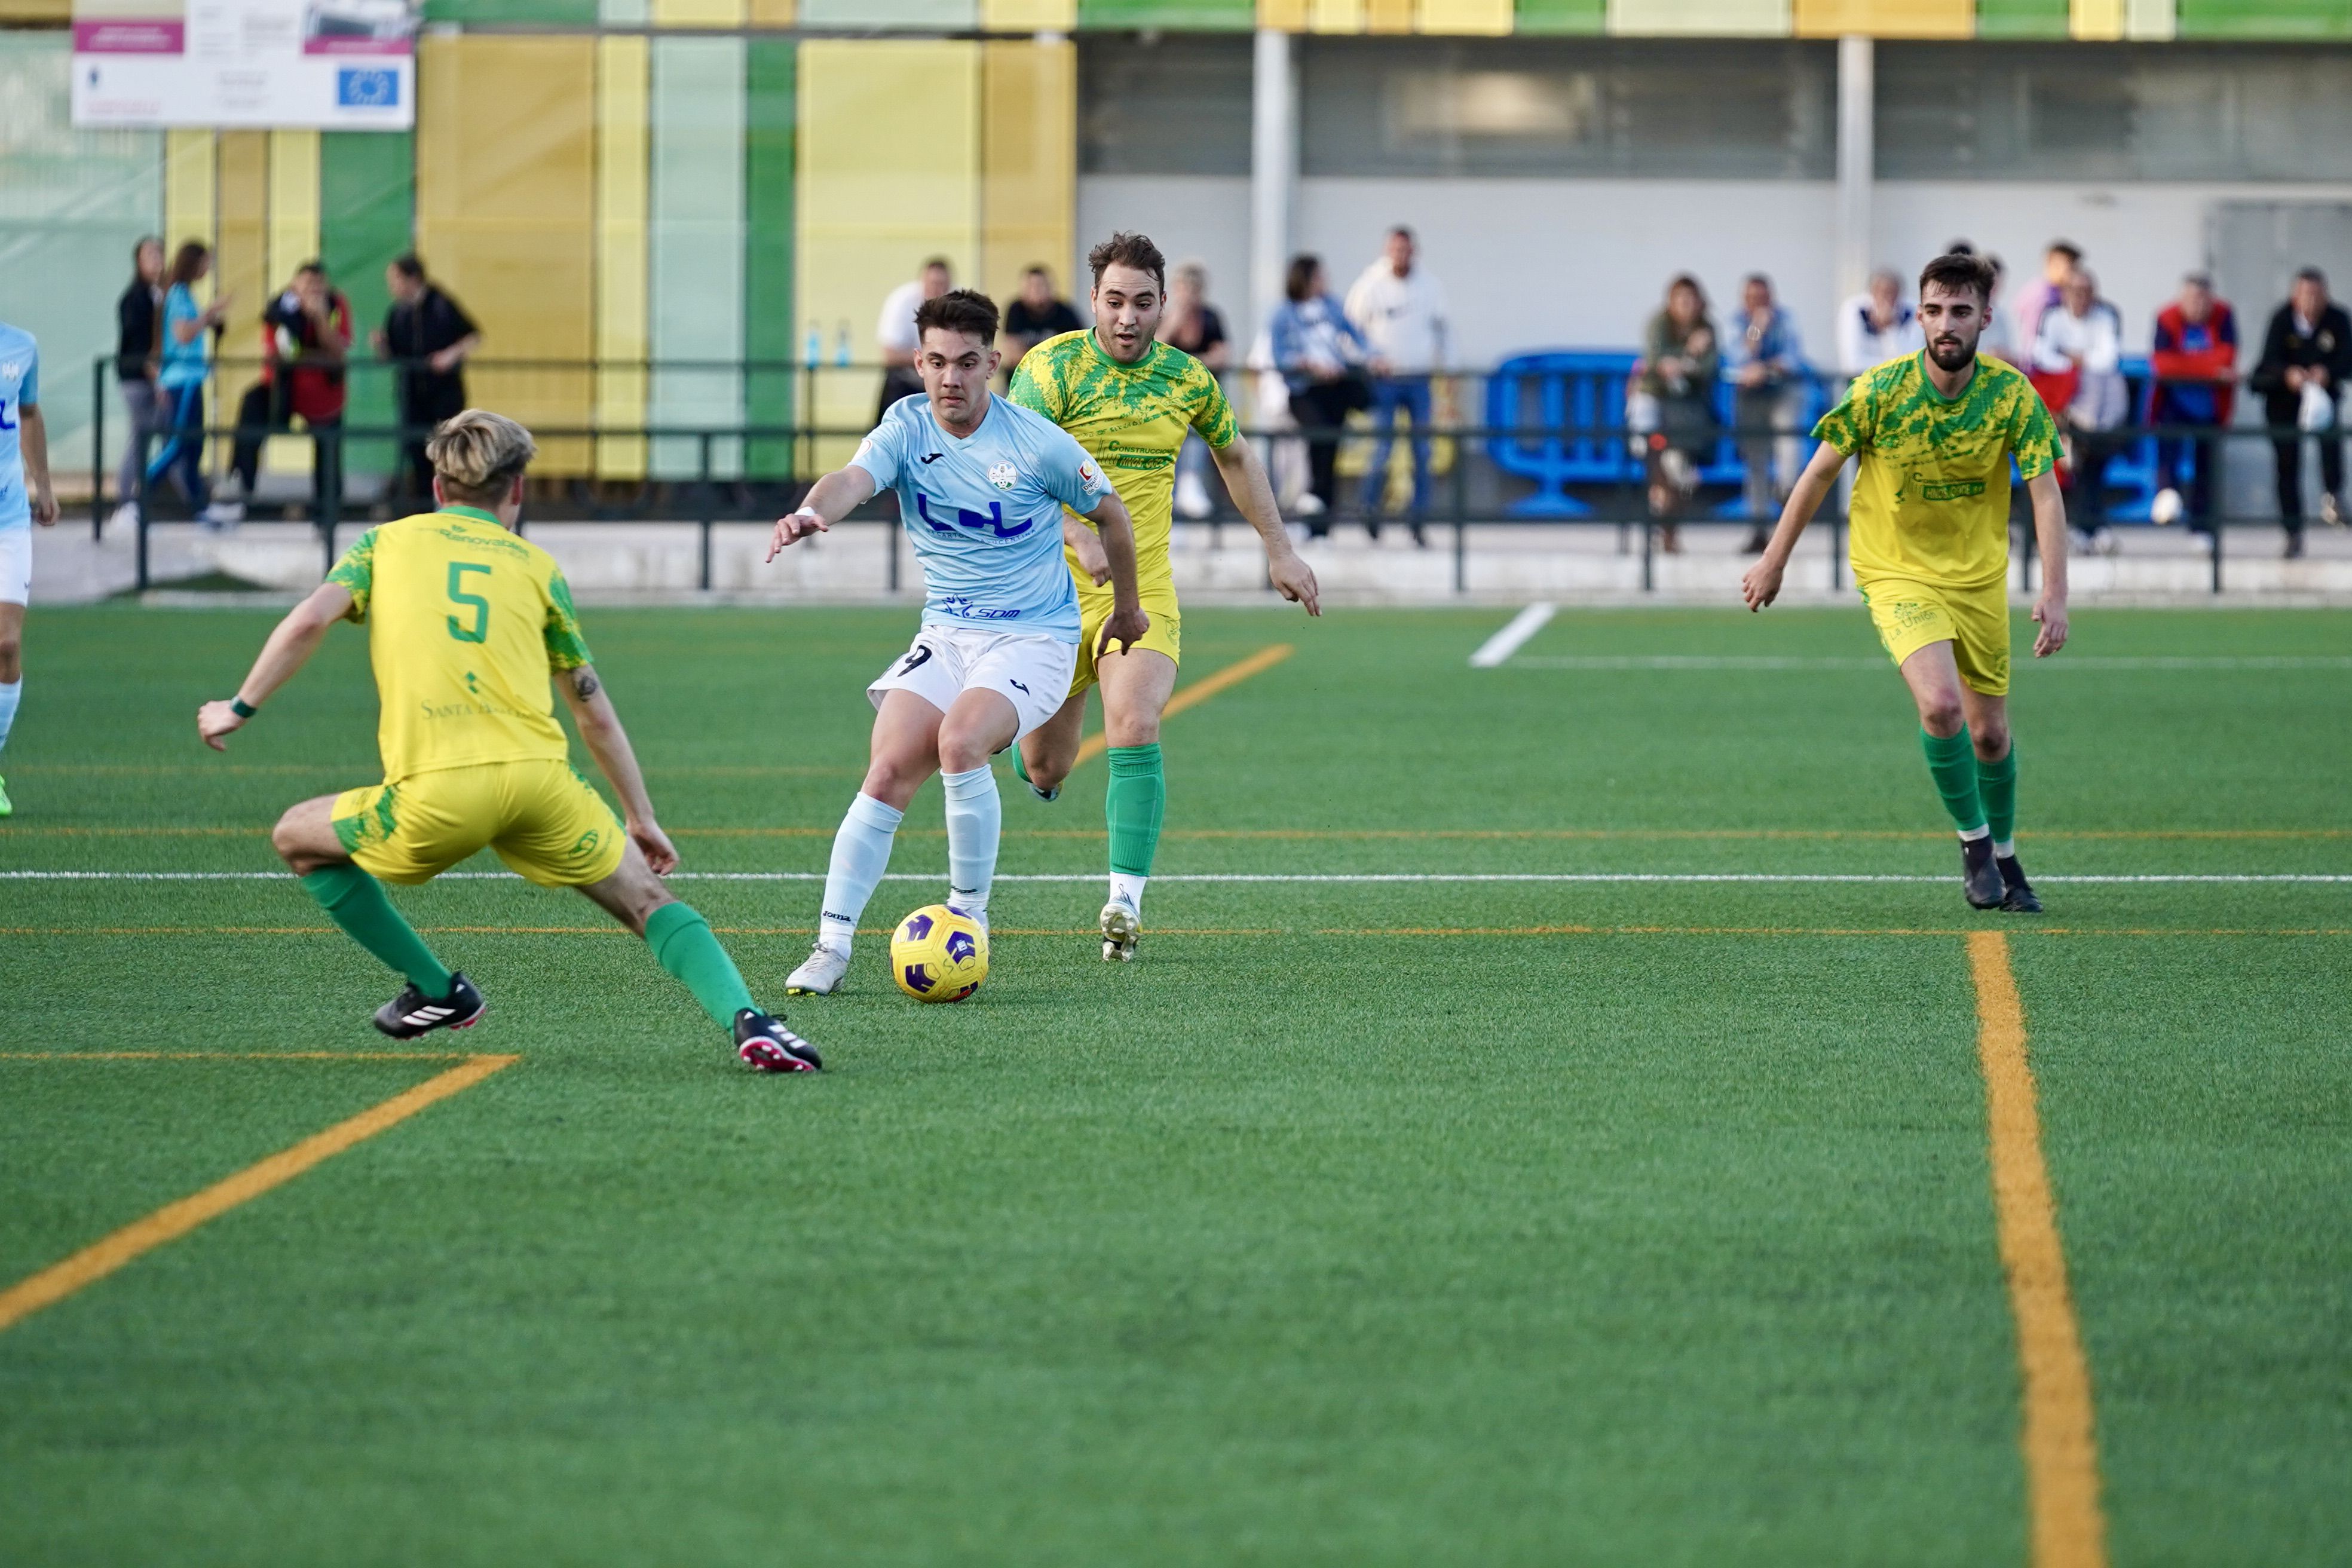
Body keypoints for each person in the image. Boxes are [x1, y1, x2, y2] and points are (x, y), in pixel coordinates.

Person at [193, 409, 819, 1071]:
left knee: (296, 834)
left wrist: (239, 706)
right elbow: (593, 710)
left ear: (437, 489)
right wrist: (641, 815)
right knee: (650, 903)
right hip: (540, 786)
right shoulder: (537, 568)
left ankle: (439, 990)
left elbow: (307, 621)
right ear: (516, 490)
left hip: (438, 794)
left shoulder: (383, 545)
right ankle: (752, 1021)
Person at [767, 289, 1146, 996]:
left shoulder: (1034, 440)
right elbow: (854, 478)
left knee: (960, 742)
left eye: (967, 363)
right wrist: (812, 512)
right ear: (918, 362)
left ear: (992, 364)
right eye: (937, 362)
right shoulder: (906, 427)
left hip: (1034, 636)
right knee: (885, 770)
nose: (951, 378)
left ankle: (967, 920)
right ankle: (831, 945)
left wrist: (1126, 611)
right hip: (947, 632)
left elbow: (1113, 515)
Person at [1005, 231, 1321, 963]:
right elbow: (1010, 468)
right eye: (1114, 301)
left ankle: (1124, 903)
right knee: (1048, 765)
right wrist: (1071, 534)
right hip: (1049, 597)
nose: (1127, 318)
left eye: (1142, 303)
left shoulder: (1185, 379)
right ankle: (1036, 770)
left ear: (1163, 306)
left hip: (1140, 597)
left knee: (1135, 722)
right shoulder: (1049, 370)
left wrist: (1280, 548)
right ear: (1093, 301)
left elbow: (1236, 454)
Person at [1741, 252, 2068, 915]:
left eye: (1961, 312)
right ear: (1919, 316)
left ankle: (2006, 852)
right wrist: (1775, 558)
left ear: (1985, 317)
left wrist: (2055, 590)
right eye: (1936, 311)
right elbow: (1817, 472)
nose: (1947, 324)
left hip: (1978, 580)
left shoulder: (2011, 395)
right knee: (1942, 707)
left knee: (1990, 736)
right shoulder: (1879, 390)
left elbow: (2045, 494)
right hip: (1896, 572)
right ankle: (1975, 844)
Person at [219, 261, 353, 525]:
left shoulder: (337, 306)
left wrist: (320, 320)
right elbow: (281, 355)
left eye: (318, 286)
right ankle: (241, 491)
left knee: (328, 449)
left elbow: (338, 351)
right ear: (295, 287)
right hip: (282, 389)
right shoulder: (279, 309)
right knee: (251, 406)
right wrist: (316, 355)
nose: (313, 292)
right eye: (307, 286)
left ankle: (327, 514)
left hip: (324, 393)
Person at [1345, 225, 1450, 543]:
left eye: (1405, 250)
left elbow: (1443, 332)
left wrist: (1448, 372)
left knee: (1422, 450)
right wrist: (1368, 360)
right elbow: (1349, 333)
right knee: (1382, 448)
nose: (1400, 257)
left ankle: (1417, 520)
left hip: (1418, 379)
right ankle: (1370, 511)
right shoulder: (1370, 286)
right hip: (1384, 381)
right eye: (1394, 250)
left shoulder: (1429, 287)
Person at [2249, 267, 2352, 557]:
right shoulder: (2282, 320)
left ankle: (2334, 497)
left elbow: (2346, 359)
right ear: (2295, 296)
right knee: (2287, 465)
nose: (2311, 301)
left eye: (2317, 295)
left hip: (2322, 401)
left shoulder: (2337, 319)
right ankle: (2292, 532)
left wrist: (2326, 373)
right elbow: (2267, 361)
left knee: (2331, 445)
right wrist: (2288, 375)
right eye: (2305, 294)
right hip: (2283, 403)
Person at [0, 316, 59, 819]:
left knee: (6, 643)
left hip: (8, 518)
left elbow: (31, 413)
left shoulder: (21, 345)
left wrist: (43, 484)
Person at [1269, 253, 1374, 529]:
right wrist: (1306, 364)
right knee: (1318, 440)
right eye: (1319, 276)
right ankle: (1311, 500)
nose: (1324, 281)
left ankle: (1322, 525)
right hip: (1305, 390)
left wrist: (1374, 356)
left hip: (1334, 388)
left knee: (1332, 451)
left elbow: (1356, 336)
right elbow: (1280, 356)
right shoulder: (1284, 313)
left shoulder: (1332, 306)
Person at [2031, 267, 2127, 542]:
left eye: (2086, 292)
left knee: (2093, 463)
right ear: (2064, 293)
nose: (2080, 298)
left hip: (2098, 408)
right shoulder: (2052, 317)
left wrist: (2071, 358)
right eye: (2074, 291)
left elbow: (2108, 359)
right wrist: (2080, 360)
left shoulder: (2106, 316)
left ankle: (2089, 526)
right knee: (2060, 466)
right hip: (2059, 405)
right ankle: (2065, 528)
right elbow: (2042, 355)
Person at [378, 253, 480, 507]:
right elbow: (393, 354)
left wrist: (449, 356)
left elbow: (473, 335)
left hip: (443, 395)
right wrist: (382, 346)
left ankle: (455, 511)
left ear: (412, 279)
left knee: (450, 455)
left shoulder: (441, 304)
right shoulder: (398, 312)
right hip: (412, 396)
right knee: (418, 455)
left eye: (396, 280)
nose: (392, 286)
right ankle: (423, 514)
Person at [1629, 274, 1719, 552]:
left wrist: (1683, 362)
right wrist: (1689, 353)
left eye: (1691, 300)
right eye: (1680, 300)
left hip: (1686, 413)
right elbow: (1657, 363)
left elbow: (1706, 370)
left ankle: (1668, 528)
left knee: (1681, 474)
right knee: (1652, 453)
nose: (1686, 306)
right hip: (1655, 400)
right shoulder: (1658, 324)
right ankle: (1660, 530)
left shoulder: (1708, 328)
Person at [149, 240, 233, 517]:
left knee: (195, 445)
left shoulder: (184, 294)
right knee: (178, 444)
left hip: (193, 378)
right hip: (181, 380)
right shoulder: (178, 294)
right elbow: (183, 334)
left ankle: (200, 508)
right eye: (205, 263)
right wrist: (209, 315)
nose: (207, 269)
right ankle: (140, 496)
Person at [2148, 272, 2237, 534]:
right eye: (2191, 300)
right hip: (2173, 402)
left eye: (2202, 301)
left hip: (2210, 405)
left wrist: (2187, 365)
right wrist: (2209, 369)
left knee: (2207, 467)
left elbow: (2227, 356)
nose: (2197, 307)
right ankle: (2167, 499)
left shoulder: (2224, 315)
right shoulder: (2166, 318)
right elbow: (2163, 365)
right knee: (2168, 453)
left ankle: (2202, 529)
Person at [1724, 272, 1805, 551]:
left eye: (1763, 299)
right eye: (1752, 299)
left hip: (1781, 392)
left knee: (1789, 449)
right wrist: (1757, 329)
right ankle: (1758, 530)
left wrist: (1766, 368)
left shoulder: (1786, 320)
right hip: (1750, 397)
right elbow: (1738, 358)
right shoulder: (1736, 322)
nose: (1758, 304)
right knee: (1755, 463)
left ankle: (1786, 498)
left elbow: (1792, 358)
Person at [1159, 259, 1229, 521]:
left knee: (1201, 427)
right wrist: (1174, 323)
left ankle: (1190, 483)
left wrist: (1189, 365)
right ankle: (1175, 500)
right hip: (1168, 397)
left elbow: (1222, 355)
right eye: (1185, 289)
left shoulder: (1211, 318)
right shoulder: (1167, 316)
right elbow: (1157, 351)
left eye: (1195, 289)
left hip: (1200, 395)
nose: (1190, 295)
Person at [111, 236, 166, 531]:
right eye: (150, 255)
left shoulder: (158, 295)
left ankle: (139, 501)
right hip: (138, 379)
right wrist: (153, 374)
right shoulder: (136, 297)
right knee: (140, 439)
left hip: (151, 378)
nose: (157, 260)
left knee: (159, 438)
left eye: (160, 254)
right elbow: (137, 341)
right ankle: (125, 503)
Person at [874, 256, 953, 424]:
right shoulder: (901, 301)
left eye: (942, 284)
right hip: (906, 382)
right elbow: (890, 355)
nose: (937, 290)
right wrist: (933, 360)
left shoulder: (958, 303)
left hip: (945, 381)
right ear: (922, 281)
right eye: (933, 283)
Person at [1836, 268, 1924, 379]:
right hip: (1863, 381)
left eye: (1892, 294)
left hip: (1901, 382)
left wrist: (1891, 328)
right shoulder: (1855, 310)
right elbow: (1852, 363)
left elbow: (1912, 361)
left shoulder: (1912, 311)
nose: (1887, 301)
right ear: (1871, 292)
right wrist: (1893, 366)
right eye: (1881, 293)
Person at [1002, 265, 1083, 375]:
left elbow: (1079, 348)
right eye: (1032, 286)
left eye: (1041, 286)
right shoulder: (1016, 310)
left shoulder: (1065, 312)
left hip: (1058, 375)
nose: (1036, 291)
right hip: (1021, 375)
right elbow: (1012, 352)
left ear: (1051, 287)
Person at [2014, 239, 2082, 353]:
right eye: (2071, 268)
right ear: (2053, 264)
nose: (2075, 273)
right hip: (2037, 362)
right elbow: (2033, 335)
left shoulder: (2060, 291)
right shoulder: (2040, 294)